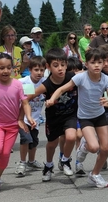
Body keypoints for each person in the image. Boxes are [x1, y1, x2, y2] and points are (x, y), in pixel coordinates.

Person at [47, 47, 108, 188]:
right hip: (85, 118)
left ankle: (95, 175)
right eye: (93, 62)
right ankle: (84, 146)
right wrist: (52, 99)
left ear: (104, 64)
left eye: (100, 62)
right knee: (94, 147)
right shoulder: (80, 78)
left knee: (106, 148)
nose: (96, 65)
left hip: (100, 116)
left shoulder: (106, 80)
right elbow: (61, 89)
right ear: (86, 64)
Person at [0, 53, 35, 193]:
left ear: (12, 68)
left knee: (5, 153)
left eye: (8, 67)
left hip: (13, 126)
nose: (5, 71)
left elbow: (25, 103)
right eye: (1, 68)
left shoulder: (17, 84)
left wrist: (29, 118)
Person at [29, 48, 78, 182]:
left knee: (71, 136)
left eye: (63, 65)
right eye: (56, 66)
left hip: (70, 115)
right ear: (48, 67)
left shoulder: (72, 77)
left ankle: (65, 160)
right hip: (54, 118)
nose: (60, 69)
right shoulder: (46, 85)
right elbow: (29, 95)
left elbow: (87, 79)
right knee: (52, 144)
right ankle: (48, 165)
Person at [15, 56, 47, 176]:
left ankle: (31, 161)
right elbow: (26, 100)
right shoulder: (24, 82)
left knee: (34, 141)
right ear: (30, 70)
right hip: (23, 118)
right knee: (26, 139)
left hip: (36, 119)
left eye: (42, 70)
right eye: (36, 70)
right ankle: (22, 163)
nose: (39, 73)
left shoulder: (44, 83)